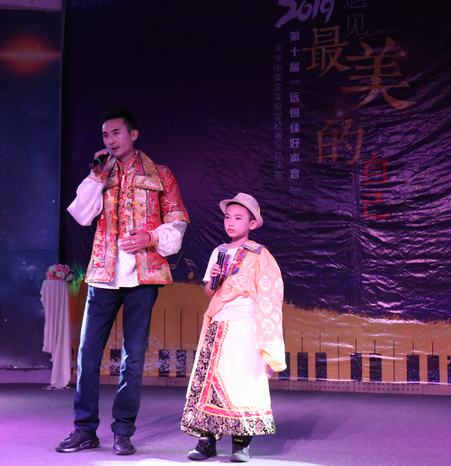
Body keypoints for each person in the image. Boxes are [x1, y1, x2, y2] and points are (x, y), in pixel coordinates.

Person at [57, 109, 190, 456]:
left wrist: (150, 237)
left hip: (142, 276)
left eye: (116, 133)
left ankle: (123, 430)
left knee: (133, 358)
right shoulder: (101, 174)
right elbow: (81, 215)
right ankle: (84, 429)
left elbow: (177, 224)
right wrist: (95, 177)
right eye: (105, 135)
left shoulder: (160, 174)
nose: (110, 140)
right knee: (87, 355)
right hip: (104, 275)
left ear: (134, 135)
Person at [180, 193, 285, 463]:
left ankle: (241, 442)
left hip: (246, 324)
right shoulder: (219, 252)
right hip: (218, 322)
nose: (231, 222)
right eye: (228, 217)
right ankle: (206, 440)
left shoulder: (260, 255)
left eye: (238, 218)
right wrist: (214, 280)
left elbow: (270, 294)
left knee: (242, 379)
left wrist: (265, 336)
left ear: (252, 223)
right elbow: (209, 291)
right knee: (209, 379)